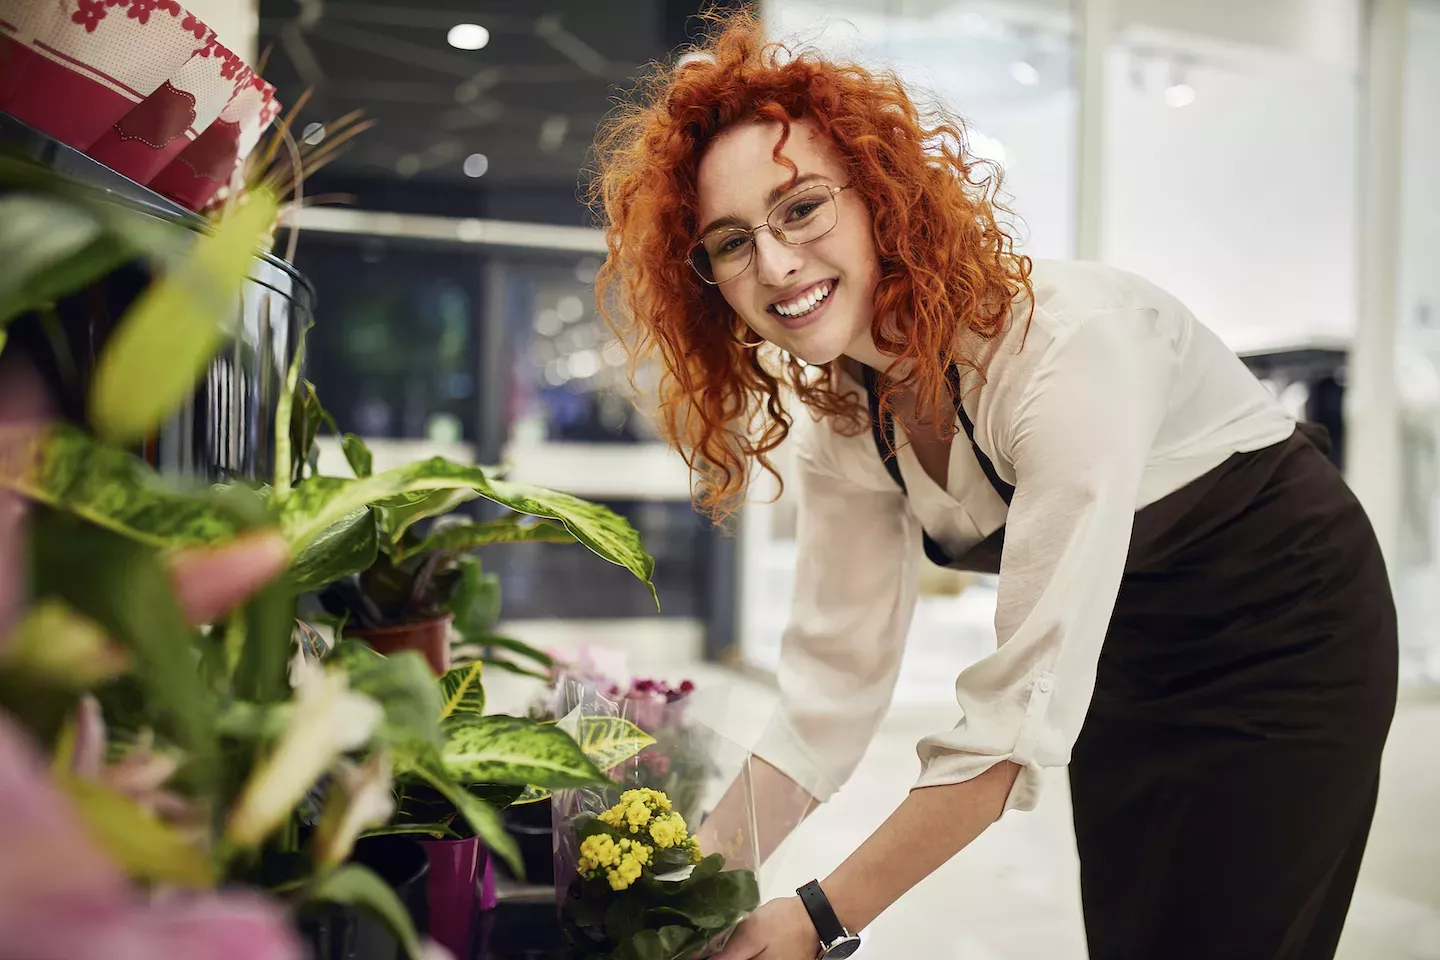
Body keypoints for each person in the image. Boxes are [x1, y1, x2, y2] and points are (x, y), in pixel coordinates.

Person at [590, 11, 1398, 960]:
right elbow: (827, 696)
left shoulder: (1065, 354)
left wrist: (816, 918)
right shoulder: (849, 423)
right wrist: (676, 885)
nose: (773, 262)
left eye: (801, 207)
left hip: (1291, 641)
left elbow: (1011, 724)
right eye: (729, 242)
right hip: (1130, 656)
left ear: (880, 197)